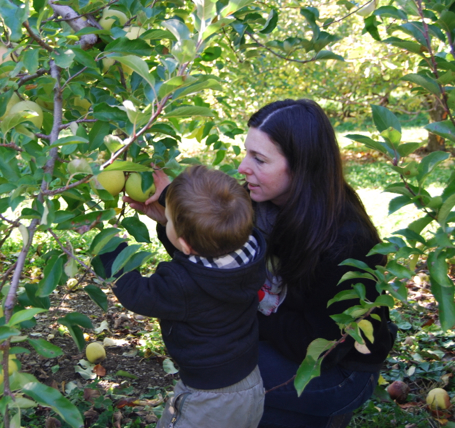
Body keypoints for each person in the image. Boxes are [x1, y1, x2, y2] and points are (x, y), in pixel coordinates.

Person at [127, 99, 396, 428]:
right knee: (214, 362)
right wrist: (173, 215)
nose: (242, 167)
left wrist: (235, 306)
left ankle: (322, 415)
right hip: (276, 336)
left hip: (337, 370)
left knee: (218, 373)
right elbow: (213, 263)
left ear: (300, 166)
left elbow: (317, 345)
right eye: (246, 152)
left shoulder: (345, 242)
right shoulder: (256, 205)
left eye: (259, 159)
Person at [100, 165, 266, 428]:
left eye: (170, 217)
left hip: (208, 399)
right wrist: (170, 212)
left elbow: (137, 294)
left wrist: (108, 246)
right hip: (249, 384)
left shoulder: (183, 285)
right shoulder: (249, 248)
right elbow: (199, 254)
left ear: (187, 244)